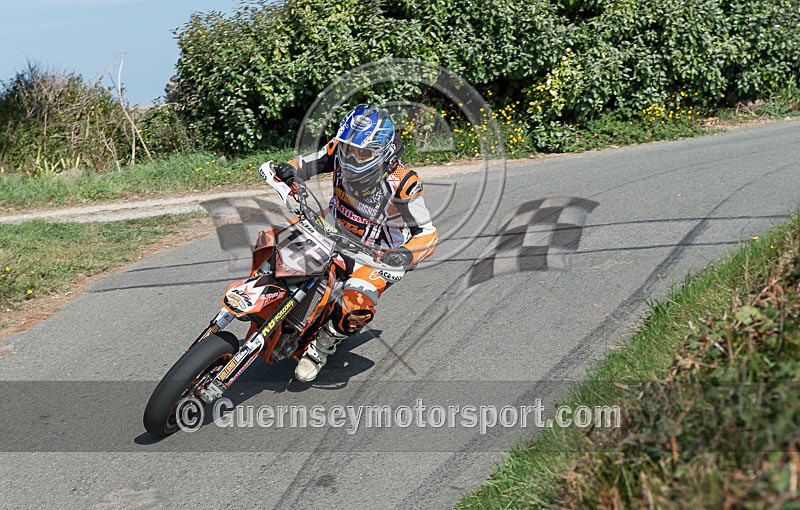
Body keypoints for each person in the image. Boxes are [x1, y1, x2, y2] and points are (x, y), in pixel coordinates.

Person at [273, 104, 438, 382]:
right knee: (277, 248)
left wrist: (403, 255)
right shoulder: (338, 148)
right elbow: (304, 164)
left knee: (356, 303)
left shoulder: (403, 181)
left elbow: (427, 233)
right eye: (349, 148)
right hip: (330, 229)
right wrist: (287, 172)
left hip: (376, 254)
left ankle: (320, 348)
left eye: (361, 152)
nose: (350, 156)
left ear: (381, 151)